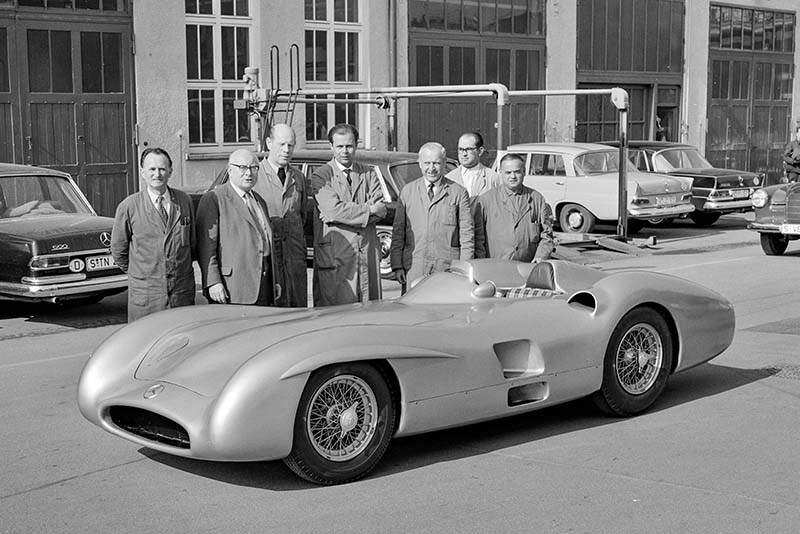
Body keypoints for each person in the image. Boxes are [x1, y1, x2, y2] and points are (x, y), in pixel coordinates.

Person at [111, 148, 196, 322]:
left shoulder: (184, 201)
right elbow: (119, 250)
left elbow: (192, 244)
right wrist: (143, 274)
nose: (157, 174)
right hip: (146, 298)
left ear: (170, 171)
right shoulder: (129, 207)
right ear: (142, 172)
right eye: (152, 169)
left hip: (180, 295)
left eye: (162, 169)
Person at [311, 123, 386, 306]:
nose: (345, 151)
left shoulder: (369, 172)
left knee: (369, 310)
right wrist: (368, 210)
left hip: (366, 251)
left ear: (356, 145)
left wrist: (342, 215)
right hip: (337, 254)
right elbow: (332, 209)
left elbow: (381, 209)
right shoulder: (321, 175)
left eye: (349, 146)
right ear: (331, 147)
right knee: (337, 312)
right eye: (340, 146)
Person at [196, 149, 277, 305]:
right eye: (243, 168)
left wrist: (275, 281)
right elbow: (206, 247)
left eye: (254, 168)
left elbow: (266, 241)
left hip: (264, 284)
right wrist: (213, 282)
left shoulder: (259, 201)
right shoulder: (215, 198)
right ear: (230, 170)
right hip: (232, 287)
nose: (249, 173)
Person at [391, 142, 473, 287]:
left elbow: (467, 235)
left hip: (448, 268)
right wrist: (397, 265)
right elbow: (398, 232)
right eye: (427, 163)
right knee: (412, 307)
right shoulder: (407, 191)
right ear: (420, 164)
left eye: (436, 163)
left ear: (444, 163)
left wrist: (464, 268)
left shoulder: (459, 192)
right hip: (414, 265)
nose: (431, 168)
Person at [256, 123, 308, 307]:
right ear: (269, 143)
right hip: (268, 262)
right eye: (281, 144)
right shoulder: (254, 175)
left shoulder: (299, 178)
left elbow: (301, 217)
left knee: (298, 313)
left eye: (291, 145)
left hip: (294, 260)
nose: (286, 150)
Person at [474, 153, 555, 263]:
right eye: (508, 172)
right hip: (496, 267)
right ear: (500, 173)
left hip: (528, 267)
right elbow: (478, 239)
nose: (513, 176)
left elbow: (547, 235)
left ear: (524, 172)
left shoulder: (536, 199)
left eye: (517, 172)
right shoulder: (486, 200)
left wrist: (541, 256)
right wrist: (483, 264)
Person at [445, 131, 500, 200]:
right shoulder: (449, 178)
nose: (464, 154)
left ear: (480, 151)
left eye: (468, 149)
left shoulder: (493, 178)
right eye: (461, 149)